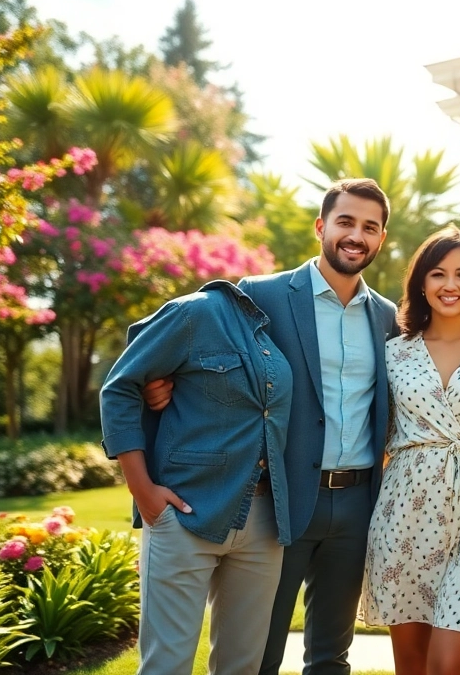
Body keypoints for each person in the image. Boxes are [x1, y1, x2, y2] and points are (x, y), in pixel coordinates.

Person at [143, 178, 399, 675]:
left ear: (381, 238)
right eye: (346, 222)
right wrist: (163, 385)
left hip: (357, 503)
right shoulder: (261, 294)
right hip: (279, 500)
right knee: (260, 653)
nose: (356, 235)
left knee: (332, 655)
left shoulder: (387, 317)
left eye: (370, 227)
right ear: (321, 227)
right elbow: (207, 360)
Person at [100, 279, 294, 675]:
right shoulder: (195, 312)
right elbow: (119, 388)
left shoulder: (272, 337)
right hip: (186, 512)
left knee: (242, 668)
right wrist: (142, 490)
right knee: (166, 666)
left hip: (263, 522)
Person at [359, 225, 460, 675]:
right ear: (421, 284)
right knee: (411, 664)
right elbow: (374, 432)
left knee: (448, 664)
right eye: (437, 274)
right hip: (404, 514)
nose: (449, 285)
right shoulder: (394, 353)